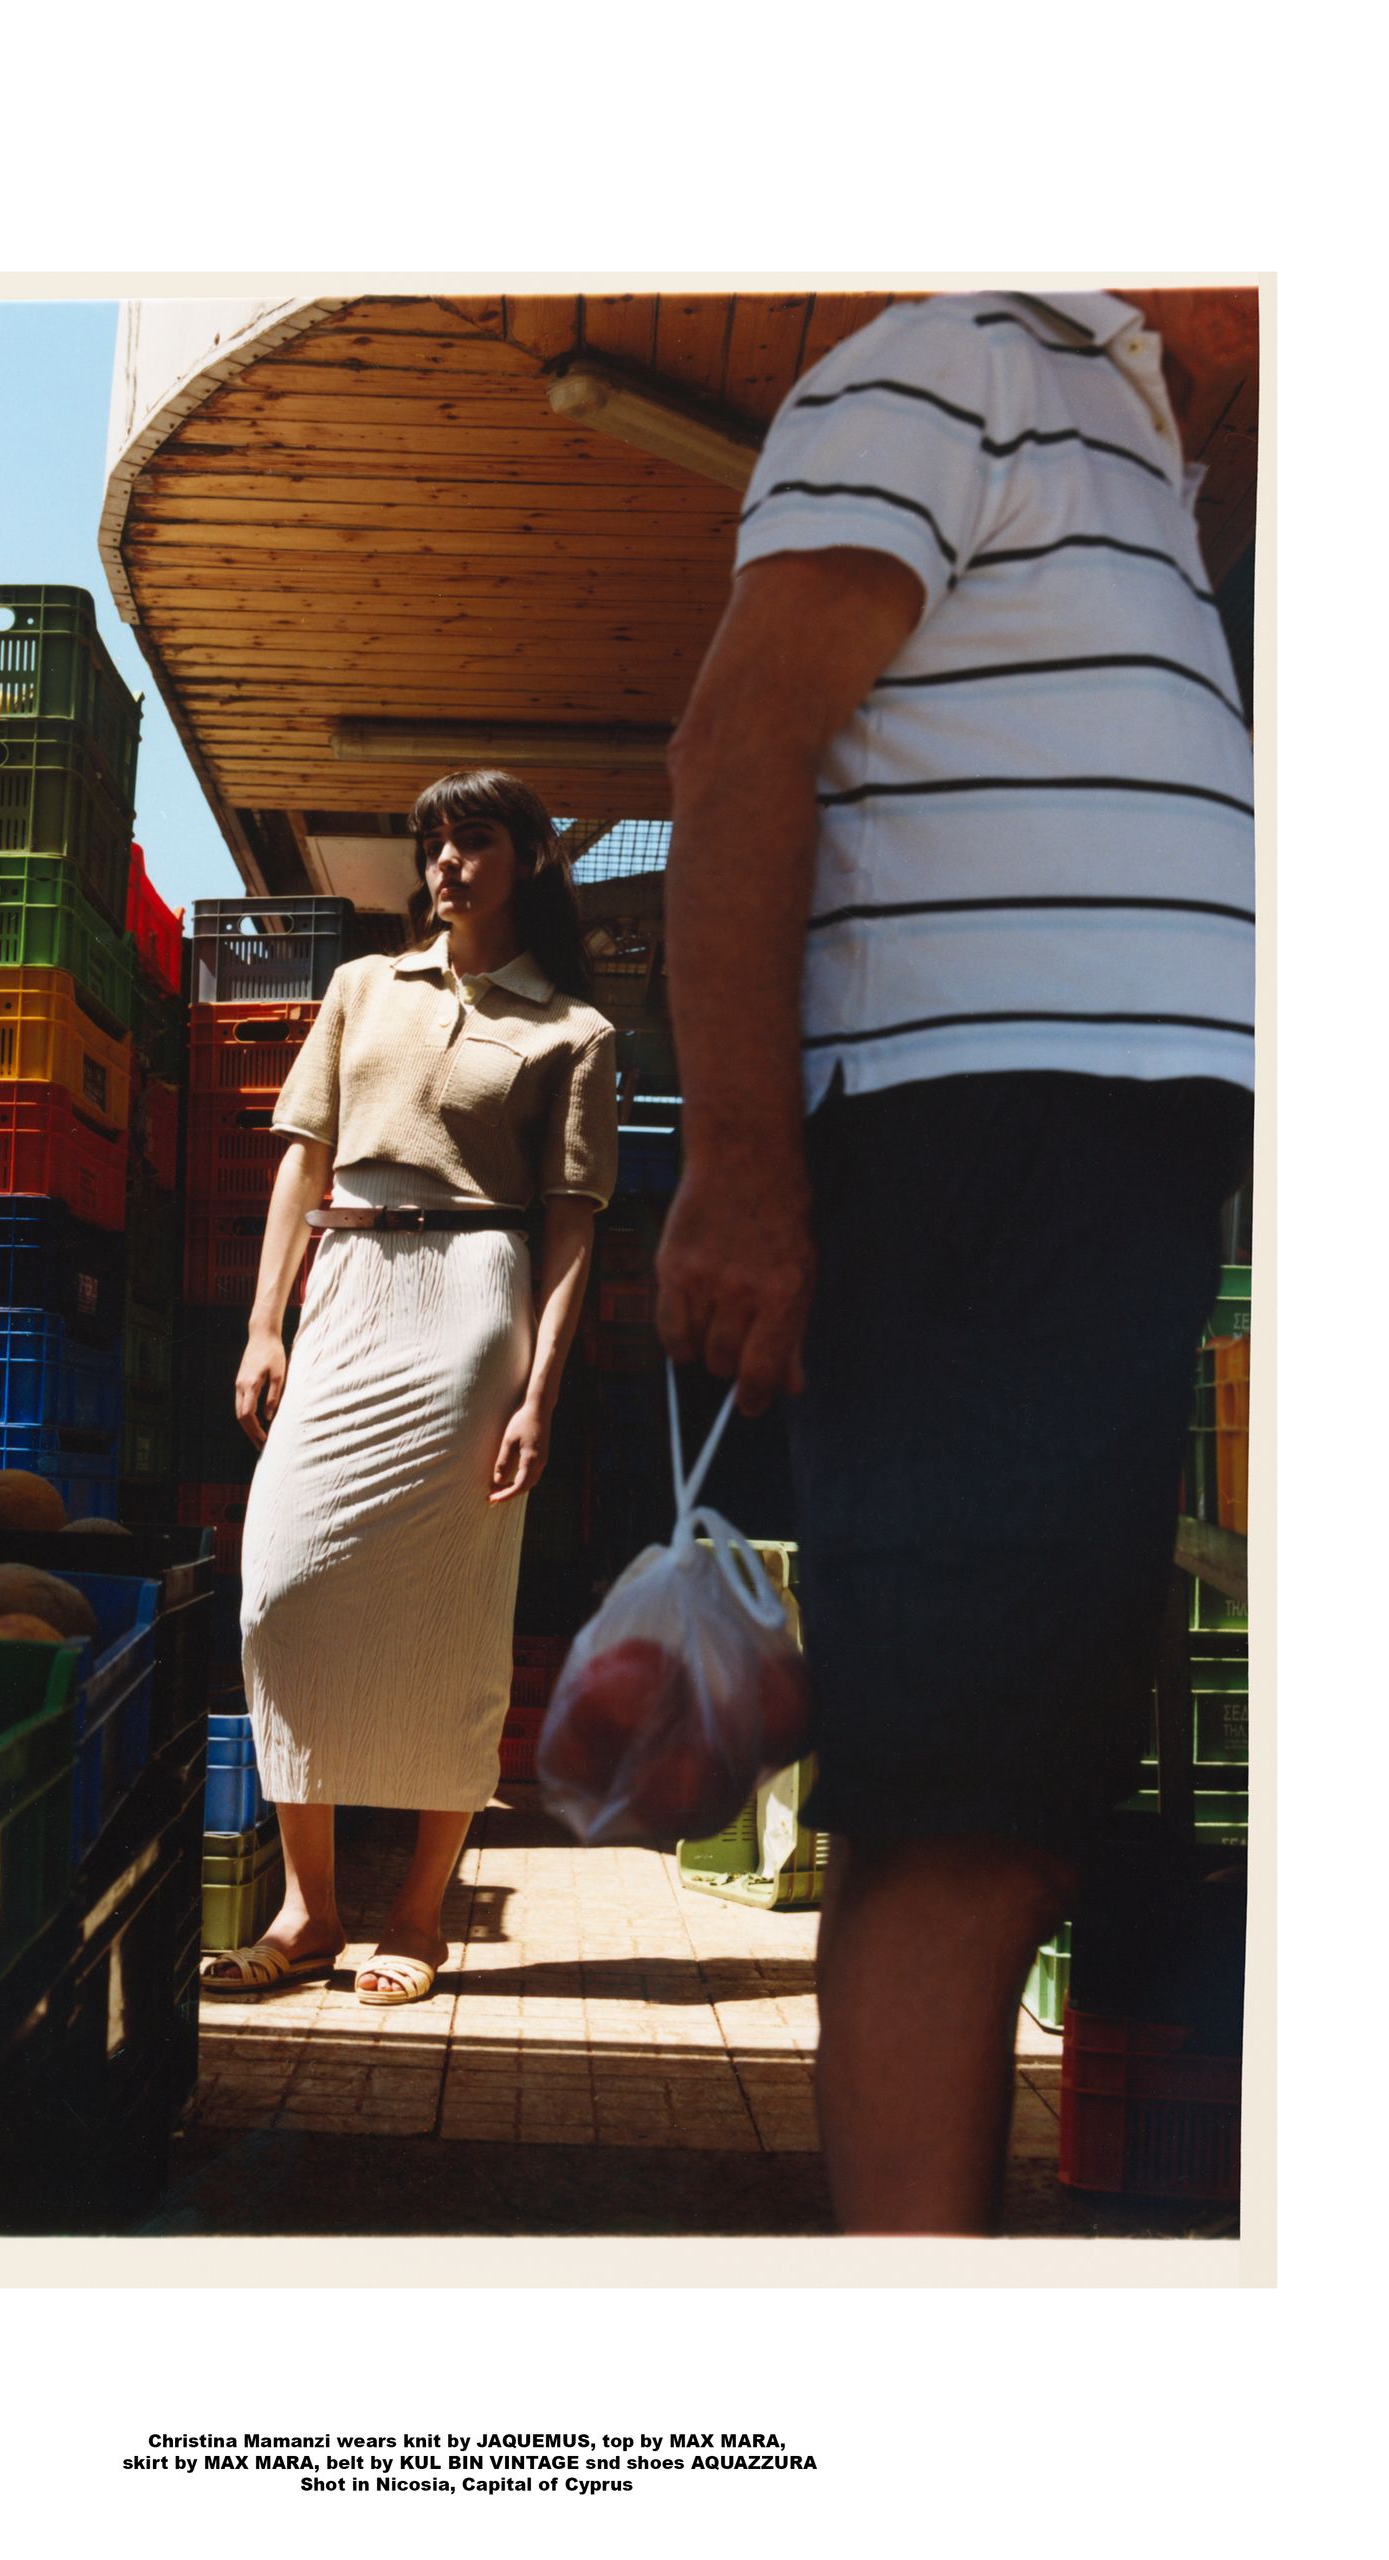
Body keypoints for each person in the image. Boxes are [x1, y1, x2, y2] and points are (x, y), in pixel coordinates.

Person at [655, 288, 1257, 2233]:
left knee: (1012, 1814)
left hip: (1088, 1170)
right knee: (965, 1822)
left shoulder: (1146, 447)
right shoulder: (963, 357)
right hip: (984, 1155)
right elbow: (742, 737)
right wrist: (739, 1165)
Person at [200, 770, 619, 2006]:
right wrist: (262, 1325)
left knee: (452, 1608)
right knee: (278, 1587)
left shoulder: (575, 1032)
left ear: (528, 860)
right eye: (433, 843)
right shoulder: (359, 988)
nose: (445, 863)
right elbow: (302, 1162)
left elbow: (573, 1227)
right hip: (345, 1277)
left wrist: (541, 1391)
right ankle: (308, 1910)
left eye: (474, 841)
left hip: (473, 1302)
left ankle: (419, 1918)